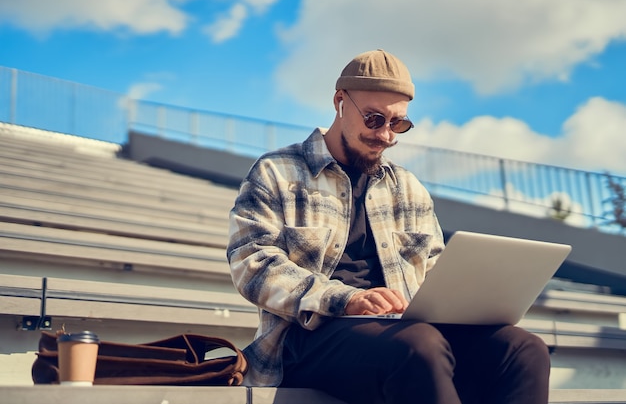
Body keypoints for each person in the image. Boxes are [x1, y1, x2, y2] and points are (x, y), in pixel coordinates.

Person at [227, 49, 551, 404]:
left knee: (523, 349)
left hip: (407, 332)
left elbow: (435, 270)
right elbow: (252, 264)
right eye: (374, 118)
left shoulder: (408, 188)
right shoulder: (278, 171)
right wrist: (346, 299)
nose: (386, 135)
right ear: (340, 103)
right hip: (310, 337)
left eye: (398, 124)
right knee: (419, 346)